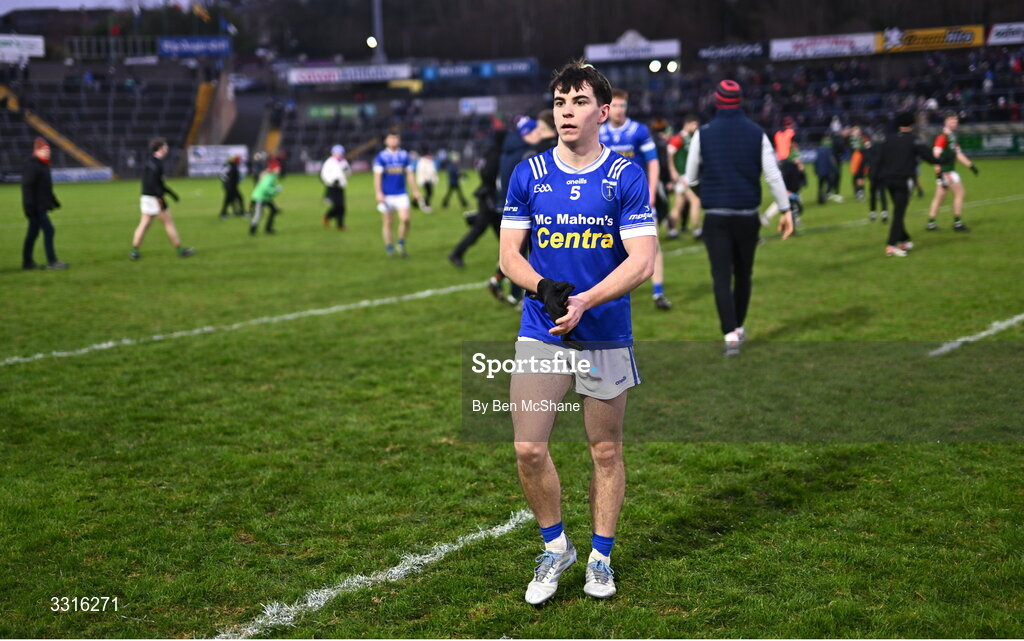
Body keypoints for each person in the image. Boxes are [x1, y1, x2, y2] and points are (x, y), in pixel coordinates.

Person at [499, 59, 656, 605]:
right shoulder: (529, 172)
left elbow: (642, 260)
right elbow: (508, 255)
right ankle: (555, 545)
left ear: (603, 112)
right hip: (543, 328)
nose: (567, 112)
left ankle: (600, 558)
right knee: (527, 447)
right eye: (561, 102)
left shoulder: (625, 176)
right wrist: (543, 287)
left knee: (605, 451)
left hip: (605, 332)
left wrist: (589, 299)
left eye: (580, 102)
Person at [684, 80, 793, 356]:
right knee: (744, 274)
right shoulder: (757, 133)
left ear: (717, 102)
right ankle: (739, 326)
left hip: (716, 216)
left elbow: (691, 177)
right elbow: (772, 175)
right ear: (740, 102)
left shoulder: (703, 133)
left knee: (721, 276)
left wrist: (706, 194)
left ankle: (730, 333)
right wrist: (785, 210)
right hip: (747, 216)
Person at [599, 89, 671, 310]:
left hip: (638, 198)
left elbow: (654, 162)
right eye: (616, 106)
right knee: (605, 247)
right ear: (608, 108)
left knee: (653, 245)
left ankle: (658, 292)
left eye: (623, 106)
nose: (620, 110)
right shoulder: (600, 133)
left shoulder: (639, 131)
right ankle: (606, 294)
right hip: (609, 198)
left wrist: (650, 192)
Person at [873, 112, 944, 257]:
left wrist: (875, 179)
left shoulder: (888, 139)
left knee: (898, 210)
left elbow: (878, 159)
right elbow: (930, 157)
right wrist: (947, 158)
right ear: (912, 124)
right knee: (899, 213)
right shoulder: (913, 140)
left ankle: (904, 239)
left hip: (887, 180)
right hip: (903, 180)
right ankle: (891, 245)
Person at [131, 138, 195, 260]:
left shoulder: (150, 161)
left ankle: (134, 251)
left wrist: (171, 193)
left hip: (145, 197)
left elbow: (155, 182)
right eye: (165, 146)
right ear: (160, 148)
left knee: (144, 224)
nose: (167, 148)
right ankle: (180, 250)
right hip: (156, 198)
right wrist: (160, 197)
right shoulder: (157, 164)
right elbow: (155, 183)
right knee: (168, 223)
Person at [926, 112, 979, 232]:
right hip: (947, 172)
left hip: (946, 172)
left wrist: (970, 166)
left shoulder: (952, 137)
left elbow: (958, 154)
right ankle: (957, 223)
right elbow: (935, 156)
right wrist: (940, 175)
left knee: (939, 197)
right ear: (946, 122)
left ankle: (931, 223)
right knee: (960, 193)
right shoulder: (942, 137)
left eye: (956, 120)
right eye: (951, 120)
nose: (954, 122)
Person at [373, 130, 422, 257]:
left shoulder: (404, 155)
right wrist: (378, 193)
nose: (394, 141)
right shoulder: (381, 156)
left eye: (396, 138)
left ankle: (400, 243)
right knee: (388, 222)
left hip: (401, 193)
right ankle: (389, 247)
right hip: (387, 194)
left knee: (405, 219)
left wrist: (415, 191)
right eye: (391, 138)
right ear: (386, 141)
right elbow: (377, 176)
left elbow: (410, 174)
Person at [21, 137, 67, 270]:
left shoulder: (43, 165)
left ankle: (27, 263)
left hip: (40, 206)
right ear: (36, 151)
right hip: (35, 207)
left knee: (32, 234)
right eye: (44, 150)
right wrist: (28, 206)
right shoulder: (33, 165)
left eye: (48, 150)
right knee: (49, 230)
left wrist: (53, 201)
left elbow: (45, 187)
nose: (47, 153)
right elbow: (27, 186)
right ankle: (52, 262)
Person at [666, 115, 702, 240]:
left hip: (686, 176)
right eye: (694, 124)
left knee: (679, 205)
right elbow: (670, 154)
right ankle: (697, 231)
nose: (696, 127)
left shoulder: (690, 138)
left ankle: (672, 231)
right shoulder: (679, 138)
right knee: (695, 201)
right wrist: (673, 172)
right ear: (687, 124)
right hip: (684, 176)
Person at [320, 145, 351, 229]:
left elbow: (348, 173)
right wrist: (331, 181)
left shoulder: (344, 162)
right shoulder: (329, 162)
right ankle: (327, 216)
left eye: (340, 153)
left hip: (341, 186)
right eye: (337, 153)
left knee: (342, 206)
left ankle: (340, 225)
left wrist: (346, 171)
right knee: (337, 205)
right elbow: (324, 174)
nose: (338, 155)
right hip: (332, 186)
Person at [250, 158, 282, 235]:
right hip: (260, 198)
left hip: (265, 198)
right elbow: (266, 188)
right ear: (274, 169)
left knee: (273, 210)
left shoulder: (272, 176)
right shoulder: (270, 177)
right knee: (258, 214)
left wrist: (274, 191)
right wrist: (275, 190)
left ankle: (268, 229)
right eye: (278, 168)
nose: (279, 170)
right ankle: (252, 231)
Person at [864, 131, 889, 222]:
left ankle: (873, 213)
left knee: (873, 194)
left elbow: (866, 161)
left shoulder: (869, 148)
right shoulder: (885, 149)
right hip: (882, 174)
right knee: (882, 193)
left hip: (873, 174)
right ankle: (884, 213)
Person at [415, 148, 439, 213]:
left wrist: (434, 179)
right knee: (429, 192)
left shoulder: (431, 162)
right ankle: (426, 205)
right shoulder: (422, 162)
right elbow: (421, 172)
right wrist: (424, 179)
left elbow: (433, 172)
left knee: (429, 193)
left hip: (429, 180)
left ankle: (415, 203)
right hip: (425, 181)